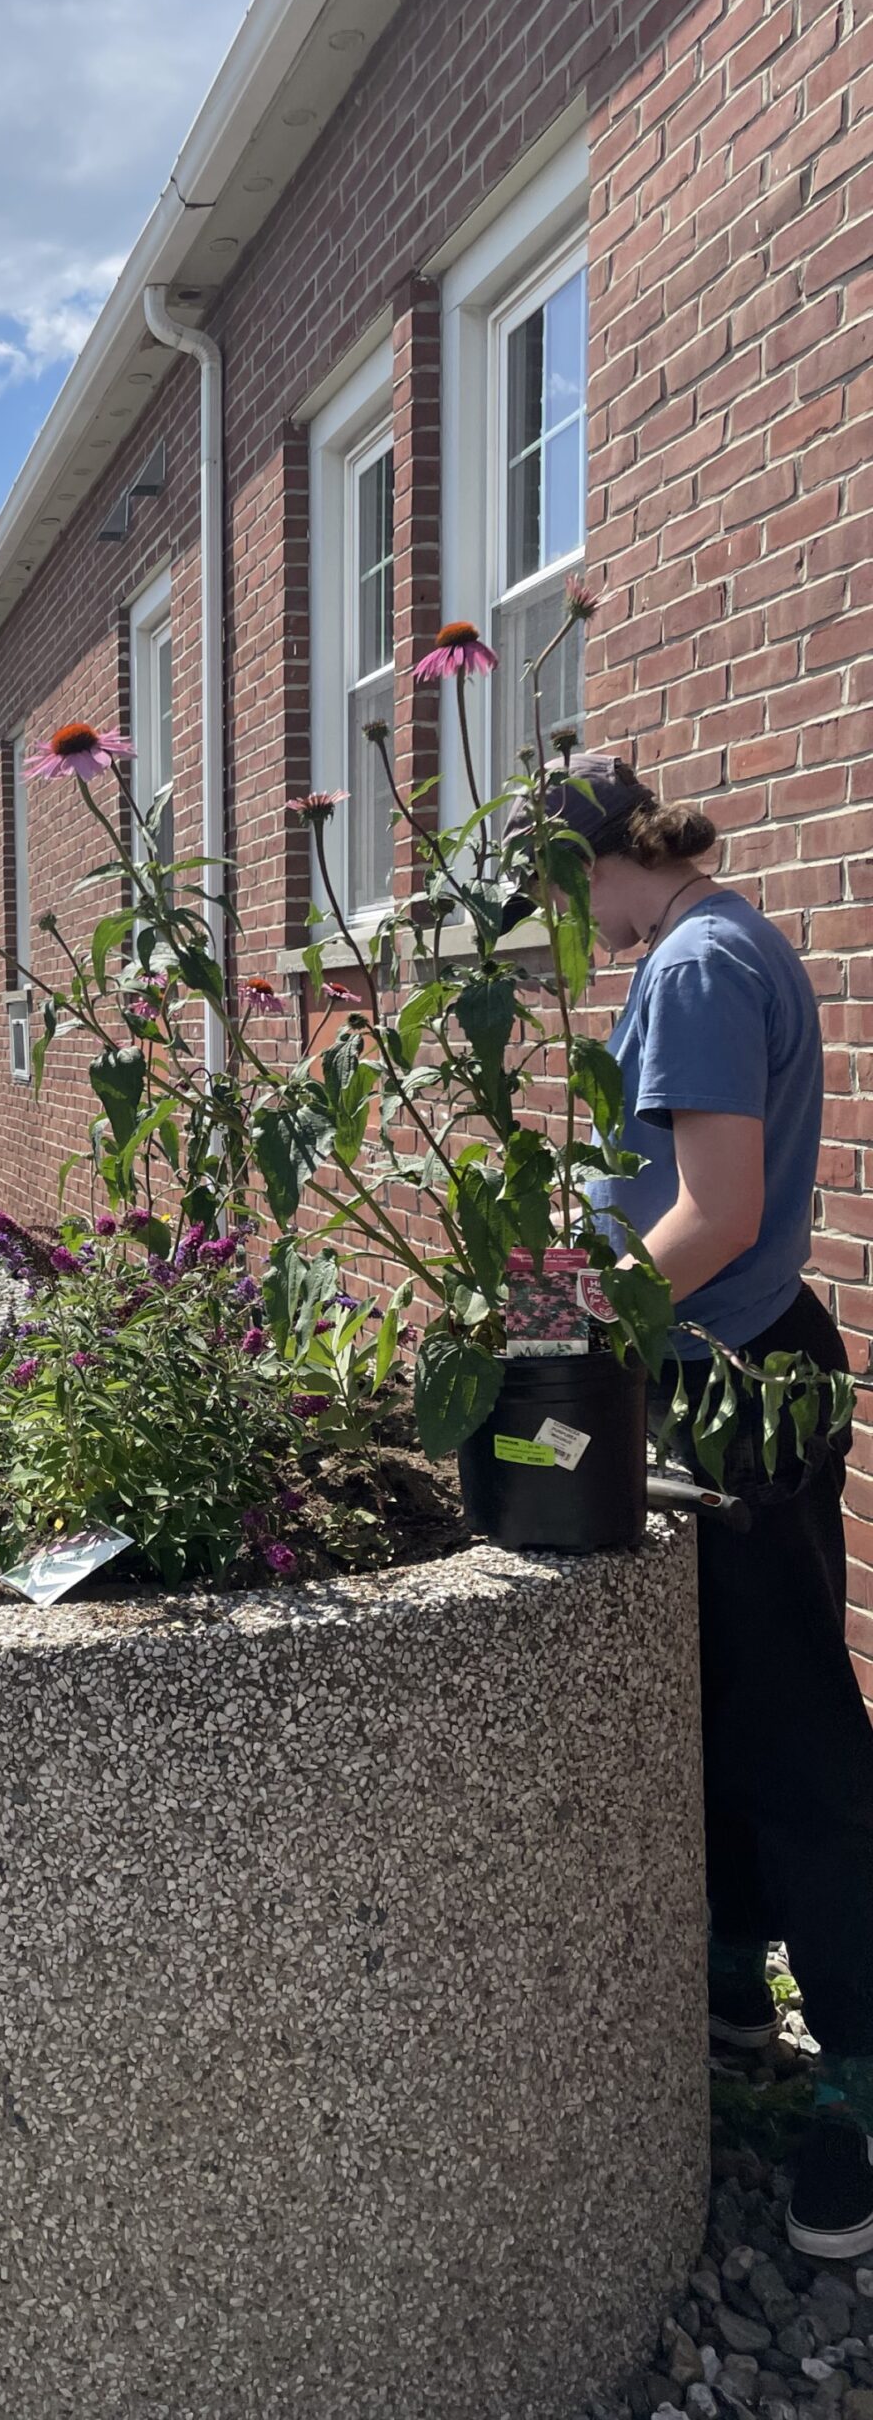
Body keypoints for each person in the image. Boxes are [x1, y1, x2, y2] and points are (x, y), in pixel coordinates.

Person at [540, 751, 873, 2258]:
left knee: (797, 1725)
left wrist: (560, 1323)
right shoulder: (721, 941)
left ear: (590, 869)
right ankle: (738, 1991)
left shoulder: (692, 965)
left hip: (731, 1376)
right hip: (737, 1357)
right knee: (719, 1687)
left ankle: (858, 2092)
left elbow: (717, 1213)